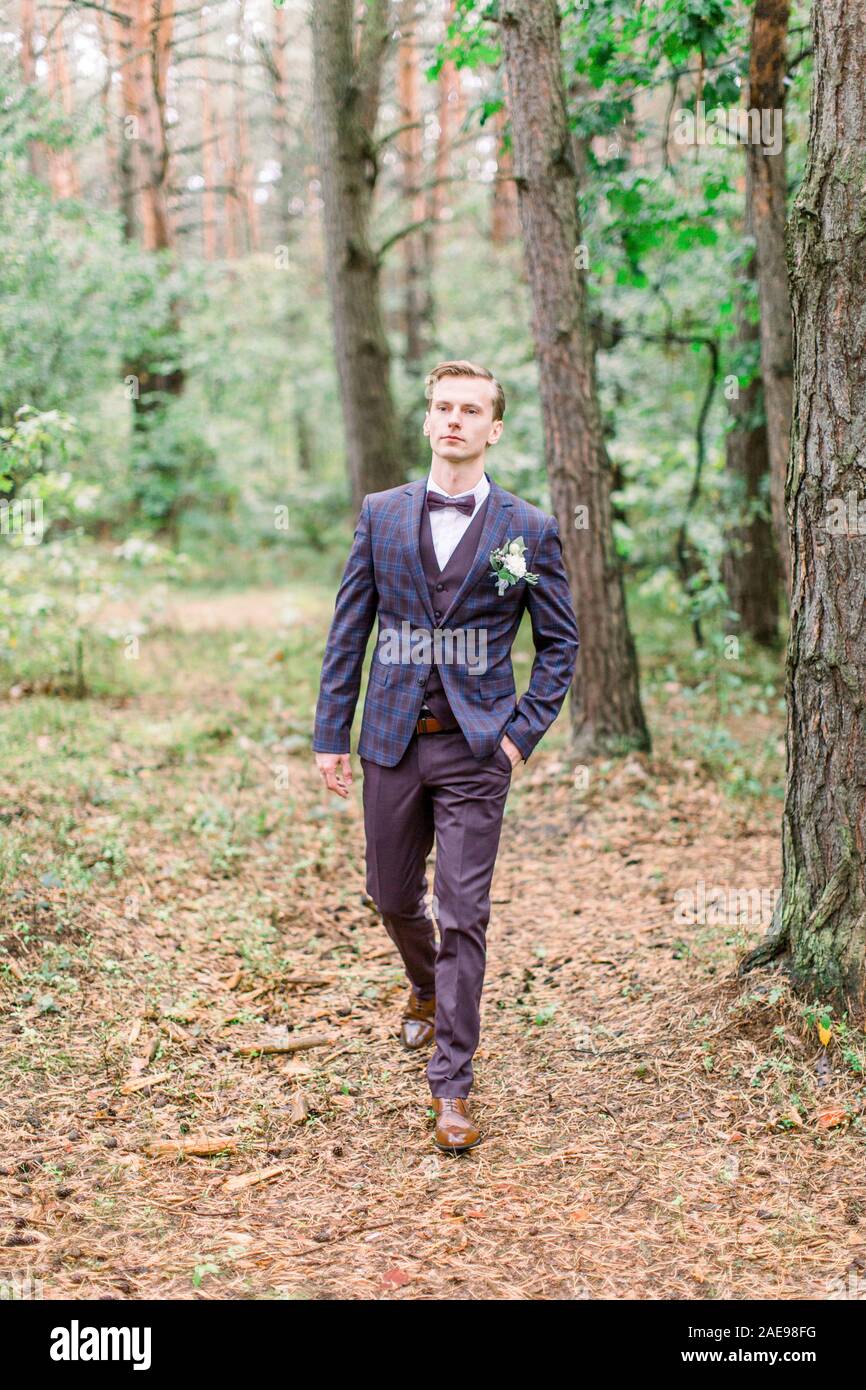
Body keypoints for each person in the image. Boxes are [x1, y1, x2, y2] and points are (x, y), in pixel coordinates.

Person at [313, 359, 579, 1153]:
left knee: (464, 914)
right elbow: (348, 630)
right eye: (443, 407)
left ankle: (452, 1085)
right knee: (391, 895)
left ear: (494, 429)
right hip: (391, 742)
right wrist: (333, 731)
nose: (455, 419)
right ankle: (426, 988)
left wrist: (518, 734)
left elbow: (559, 644)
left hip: (474, 751)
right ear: (427, 422)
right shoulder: (381, 515)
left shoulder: (527, 530)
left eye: (471, 409)